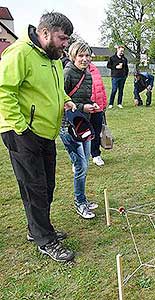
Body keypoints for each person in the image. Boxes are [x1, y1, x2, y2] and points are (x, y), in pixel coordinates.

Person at [0, 12, 76, 262]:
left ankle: (39, 229)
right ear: (45, 33)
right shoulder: (19, 52)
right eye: (62, 38)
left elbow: (54, 88)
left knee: (47, 185)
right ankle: (44, 239)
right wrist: (22, 128)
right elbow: (3, 92)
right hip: (21, 132)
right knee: (35, 187)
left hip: (45, 131)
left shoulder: (52, 56)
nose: (66, 43)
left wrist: (65, 100)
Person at [60, 41, 99, 220]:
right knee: (80, 165)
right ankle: (80, 202)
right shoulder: (67, 73)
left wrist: (91, 105)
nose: (85, 59)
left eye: (87, 55)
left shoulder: (88, 75)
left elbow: (83, 97)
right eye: (81, 56)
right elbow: (60, 99)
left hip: (83, 124)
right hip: (68, 126)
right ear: (73, 56)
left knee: (85, 164)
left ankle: (82, 198)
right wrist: (83, 107)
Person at [88, 60, 108, 166]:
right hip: (84, 108)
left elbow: (101, 88)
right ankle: (78, 159)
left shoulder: (95, 69)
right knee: (82, 134)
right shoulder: (73, 70)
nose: (85, 58)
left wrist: (103, 103)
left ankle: (96, 154)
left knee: (96, 132)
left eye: (87, 55)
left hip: (98, 107)